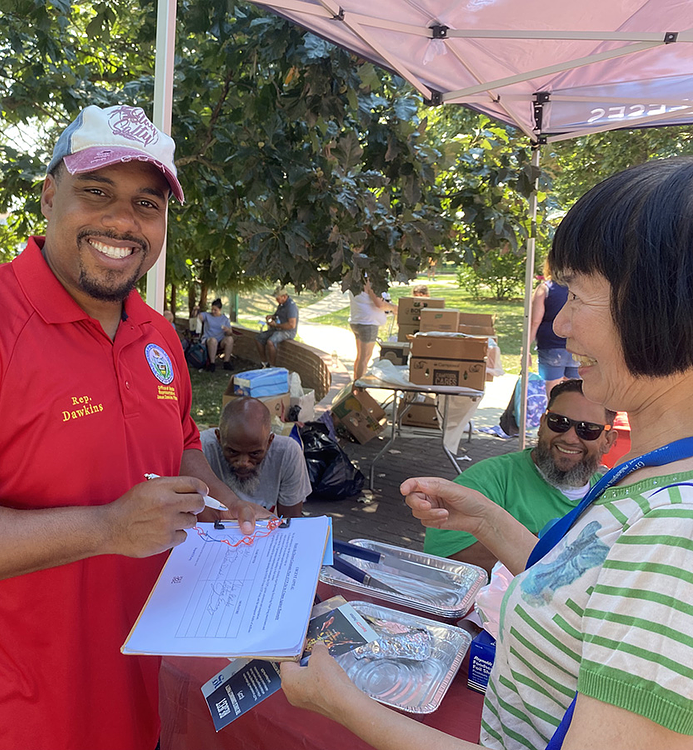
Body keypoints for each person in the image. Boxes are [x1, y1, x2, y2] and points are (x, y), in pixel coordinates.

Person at [0, 104, 268, 750]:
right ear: (50, 196)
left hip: (136, 712)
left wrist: (223, 498)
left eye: (147, 204)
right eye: (97, 192)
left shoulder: (156, 335)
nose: (123, 221)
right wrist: (107, 527)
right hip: (1, 726)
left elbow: (181, 443)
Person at [280, 157, 693, 750]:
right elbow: (587, 590)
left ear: (663, 303)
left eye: (576, 295)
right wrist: (487, 521)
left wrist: (343, 704)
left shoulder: (677, 535)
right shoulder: (657, 475)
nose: (561, 323)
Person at [424, 379, 617, 571]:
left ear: (608, 440)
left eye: (588, 430)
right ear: (542, 424)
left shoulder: (614, 495)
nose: (569, 437)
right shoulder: (489, 478)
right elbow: (445, 558)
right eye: (559, 422)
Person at [200, 396, 311, 518]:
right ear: (219, 438)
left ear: (269, 442)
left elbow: (291, 522)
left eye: (254, 454)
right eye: (233, 452)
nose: (243, 462)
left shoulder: (288, 453)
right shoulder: (201, 448)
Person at [530, 257, 578, 397]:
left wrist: (526, 347)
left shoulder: (545, 288)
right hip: (575, 343)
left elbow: (535, 321)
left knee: (552, 391)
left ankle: (553, 416)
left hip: (551, 345)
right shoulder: (577, 289)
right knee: (576, 391)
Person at [348, 280, 397, 380]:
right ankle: (359, 388)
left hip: (357, 320)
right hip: (368, 323)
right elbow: (379, 304)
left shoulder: (356, 278)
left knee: (360, 357)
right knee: (365, 358)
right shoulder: (370, 281)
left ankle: (355, 383)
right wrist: (393, 307)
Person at [255, 286, 298, 367]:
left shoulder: (291, 307)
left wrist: (276, 325)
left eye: (278, 299)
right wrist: (272, 317)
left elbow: (291, 325)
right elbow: (278, 315)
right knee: (259, 338)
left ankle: (272, 366)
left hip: (288, 331)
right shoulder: (281, 304)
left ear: (284, 297)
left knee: (271, 341)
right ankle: (264, 362)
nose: (276, 301)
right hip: (278, 328)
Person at [197, 298, 234, 372]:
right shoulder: (207, 315)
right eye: (212, 309)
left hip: (220, 339)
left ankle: (226, 362)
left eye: (215, 310)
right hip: (209, 339)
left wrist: (228, 330)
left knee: (230, 339)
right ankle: (212, 363)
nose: (213, 311)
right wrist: (196, 311)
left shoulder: (225, 319)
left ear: (220, 309)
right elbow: (199, 317)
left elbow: (230, 333)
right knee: (213, 341)